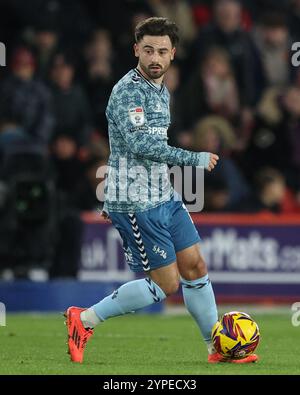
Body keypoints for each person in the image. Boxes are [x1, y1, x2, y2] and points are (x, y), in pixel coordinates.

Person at [64, 17, 258, 365]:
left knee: (196, 266)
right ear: (136, 49)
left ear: (173, 54)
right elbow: (140, 146)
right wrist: (191, 159)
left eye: (162, 51)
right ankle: (85, 319)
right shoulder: (128, 91)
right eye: (148, 50)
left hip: (163, 194)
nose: (155, 57)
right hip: (136, 201)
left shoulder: (160, 89)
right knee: (165, 285)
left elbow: (134, 145)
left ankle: (217, 347)